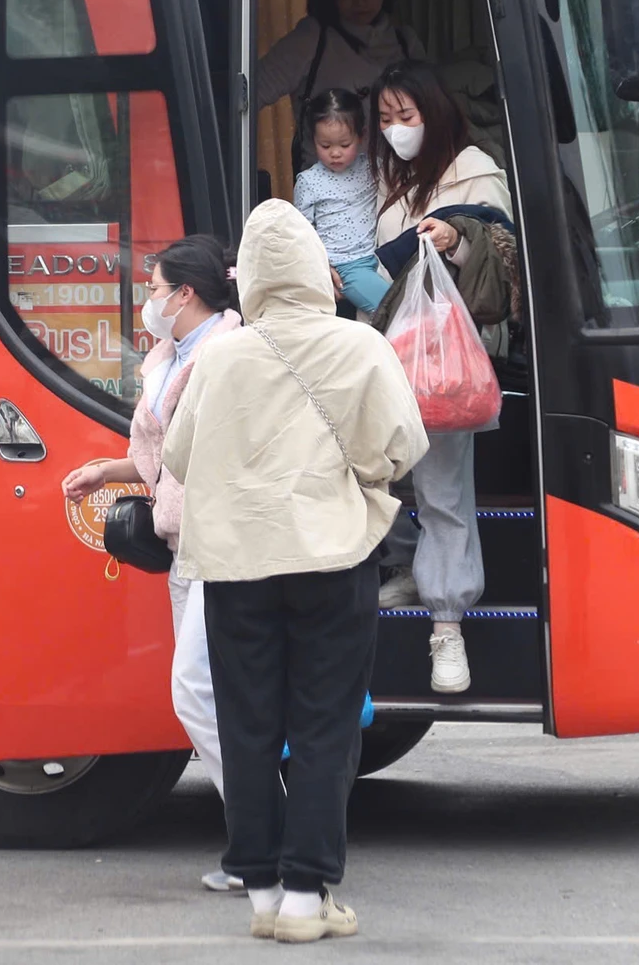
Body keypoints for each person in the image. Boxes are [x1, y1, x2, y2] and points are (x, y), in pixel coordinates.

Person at [164, 200, 428, 945]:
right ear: (316, 269)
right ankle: (309, 900)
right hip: (332, 556)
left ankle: (262, 890)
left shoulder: (219, 354)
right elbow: (402, 445)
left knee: (245, 724)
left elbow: (180, 458)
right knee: (323, 724)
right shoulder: (358, 345)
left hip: (237, 566)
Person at [60, 235, 242, 893]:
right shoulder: (175, 352)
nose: (149, 301)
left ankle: (265, 833)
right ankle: (260, 839)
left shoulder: (225, 354)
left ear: (186, 294)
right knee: (215, 692)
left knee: (198, 689)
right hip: (182, 541)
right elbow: (163, 450)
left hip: (220, 542)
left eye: (157, 288)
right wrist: (105, 471)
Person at [368, 60, 515, 693]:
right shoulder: (387, 178)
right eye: (384, 119)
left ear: (436, 111)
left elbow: (501, 255)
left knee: (443, 488)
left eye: (407, 117)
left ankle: (447, 626)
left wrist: (454, 236)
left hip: (443, 365)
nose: (396, 130)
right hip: (380, 355)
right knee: (383, 477)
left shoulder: (474, 170)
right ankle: (406, 566)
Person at [251, 0, 423, 113]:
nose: (360, 0)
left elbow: (430, 106)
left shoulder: (406, 41)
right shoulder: (313, 38)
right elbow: (249, 92)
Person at [293, 88, 388, 316]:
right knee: (394, 309)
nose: (335, 153)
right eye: (325, 146)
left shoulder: (373, 168)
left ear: (361, 136)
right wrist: (320, 268)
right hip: (345, 267)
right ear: (312, 140)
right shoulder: (308, 181)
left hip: (379, 255)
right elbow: (301, 233)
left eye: (344, 145)